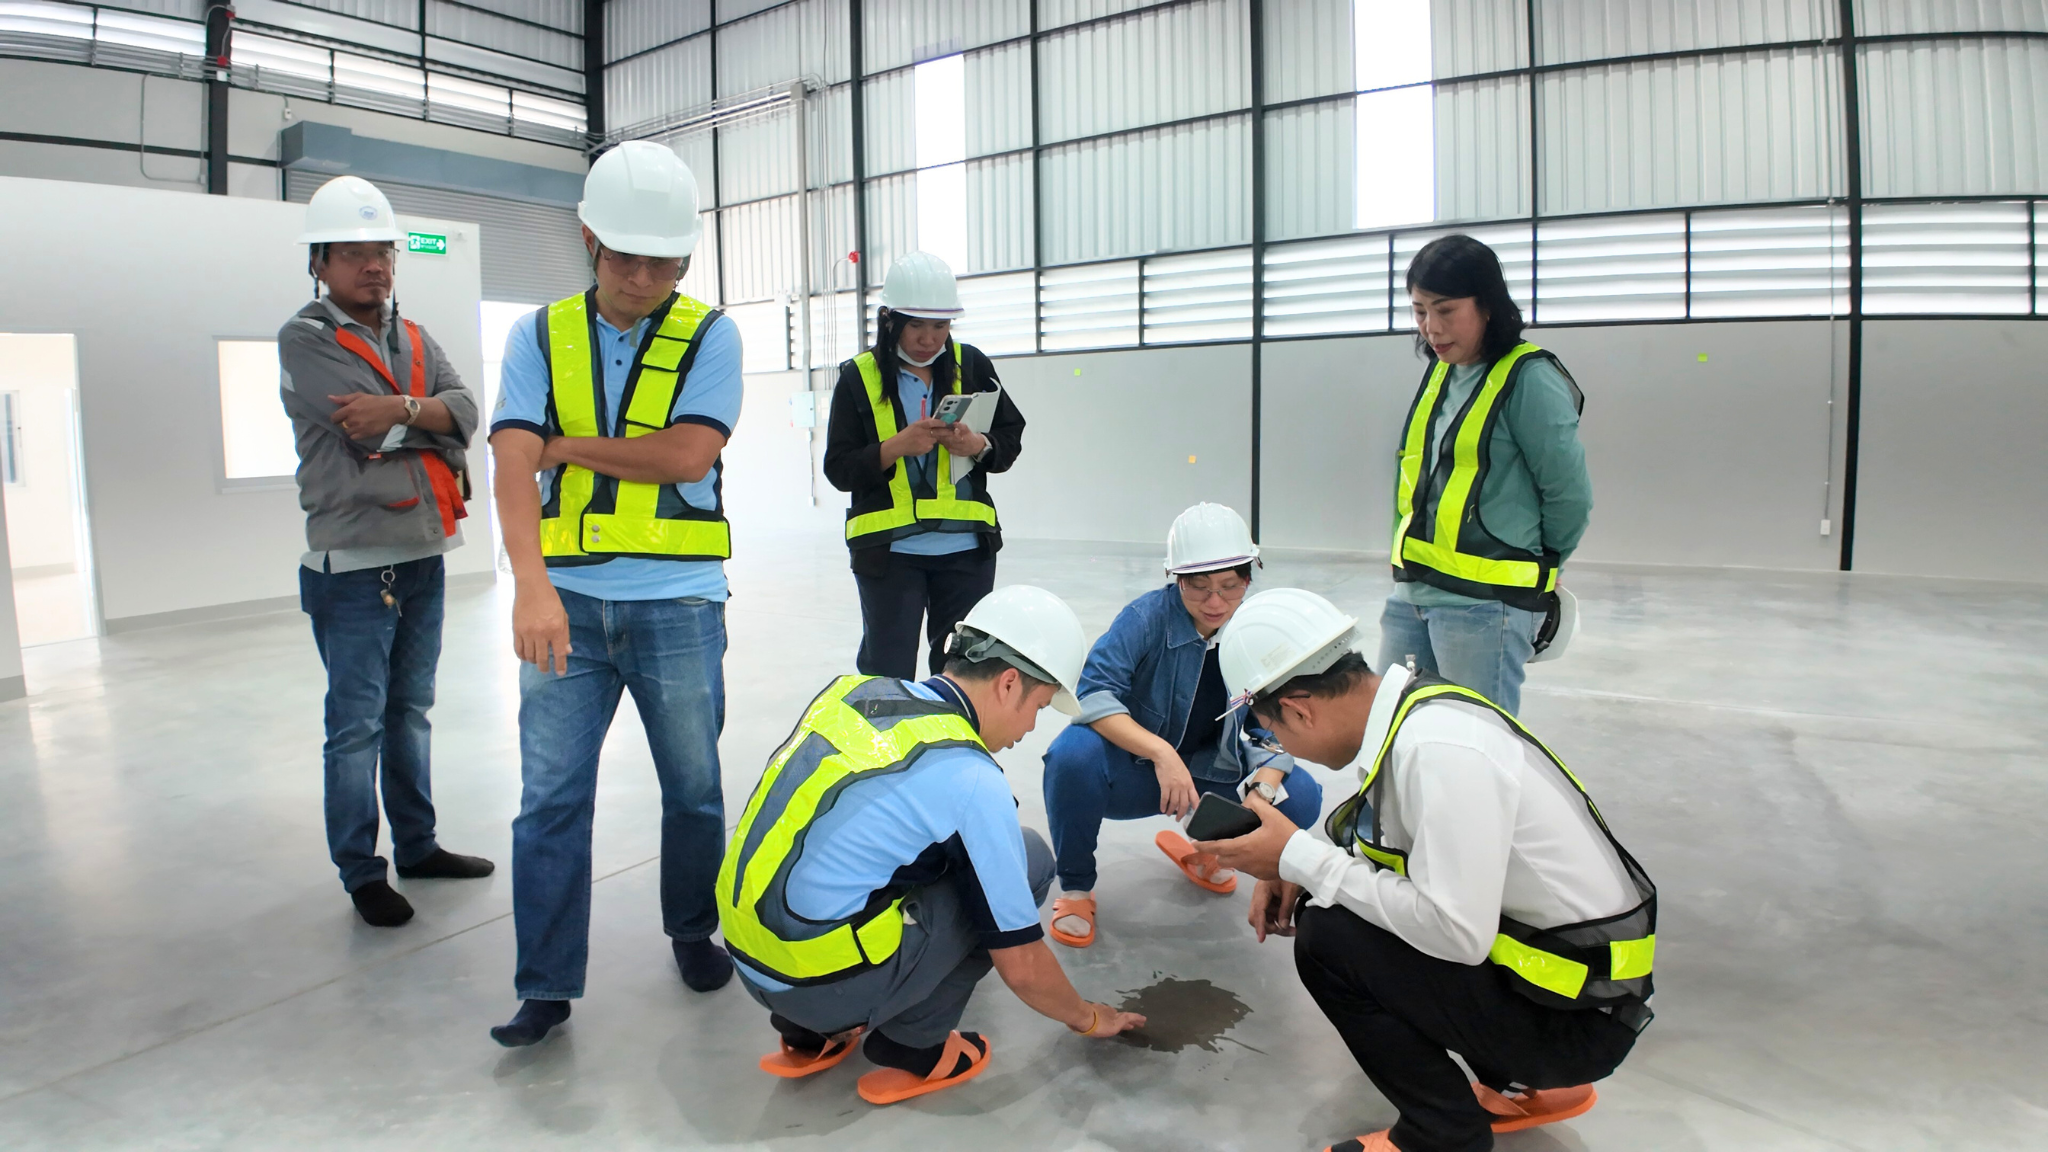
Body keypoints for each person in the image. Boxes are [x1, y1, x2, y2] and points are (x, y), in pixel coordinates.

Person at [1196, 588, 1657, 1152]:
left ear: (1298, 709)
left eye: (1271, 732)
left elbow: (1457, 932)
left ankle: (1442, 1135)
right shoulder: (1420, 715)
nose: (1279, 744)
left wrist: (1300, 857)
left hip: (1575, 1023)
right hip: (1570, 992)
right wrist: (1301, 864)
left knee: (1328, 938)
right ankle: (1508, 1083)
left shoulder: (1438, 749)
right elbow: (1414, 865)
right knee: (1334, 902)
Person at [486, 141, 743, 1046]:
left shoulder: (712, 335)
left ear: (686, 257)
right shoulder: (537, 335)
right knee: (549, 800)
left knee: (694, 790)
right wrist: (530, 586)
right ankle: (546, 986)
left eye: (662, 262)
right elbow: (510, 460)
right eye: (625, 256)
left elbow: (688, 454)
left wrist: (562, 445)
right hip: (565, 606)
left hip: (680, 603)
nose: (641, 278)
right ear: (589, 238)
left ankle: (693, 929)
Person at [719, 586, 1146, 1105]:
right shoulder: (969, 775)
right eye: (1038, 706)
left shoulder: (854, 692)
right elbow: (1023, 965)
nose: (1031, 726)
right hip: (819, 987)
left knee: (870, 859)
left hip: (750, 959)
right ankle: (914, 1044)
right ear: (1009, 683)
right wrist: (1089, 1017)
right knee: (1029, 859)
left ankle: (806, 1032)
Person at [278, 174, 493, 928]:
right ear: (319, 262)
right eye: (354, 253)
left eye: (384, 252)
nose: (375, 266)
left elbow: (466, 413)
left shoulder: (415, 337)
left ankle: (419, 846)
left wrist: (404, 412)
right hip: (351, 567)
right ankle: (362, 872)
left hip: (423, 556)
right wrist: (429, 424)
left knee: (411, 712)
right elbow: (357, 429)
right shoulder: (305, 339)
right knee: (356, 727)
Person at [1039, 502, 1323, 948]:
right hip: (1135, 772)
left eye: (1230, 586)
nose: (1215, 602)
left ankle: (1212, 852)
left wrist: (1264, 790)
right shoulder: (1144, 619)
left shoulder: (1256, 630)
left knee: (1300, 795)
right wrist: (1161, 753)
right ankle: (1076, 889)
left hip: (1212, 774)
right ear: (1176, 578)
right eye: (1199, 587)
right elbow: (1093, 694)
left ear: (1249, 578)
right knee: (1071, 756)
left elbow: (1272, 726)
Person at [1381, 234, 1592, 714]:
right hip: (1412, 593)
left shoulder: (1529, 378)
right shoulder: (1441, 372)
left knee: (1474, 745)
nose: (1431, 328)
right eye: (1419, 311)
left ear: (1489, 305)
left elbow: (1569, 496)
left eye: (1446, 310)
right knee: (1391, 733)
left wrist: (1545, 567)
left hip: (1485, 607)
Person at [823, 250, 1026, 680]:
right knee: (887, 674)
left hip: (966, 551)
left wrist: (978, 444)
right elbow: (838, 468)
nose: (929, 338)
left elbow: (1010, 438)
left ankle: (949, 729)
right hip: (889, 553)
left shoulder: (972, 365)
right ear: (889, 320)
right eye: (916, 324)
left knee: (962, 673)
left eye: (940, 325)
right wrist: (893, 448)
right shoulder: (858, 377)